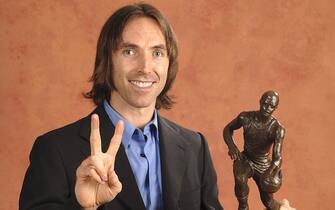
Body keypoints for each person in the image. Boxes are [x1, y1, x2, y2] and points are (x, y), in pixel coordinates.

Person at [19, 3, 223, 210]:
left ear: (169, 63)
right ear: (107, 60)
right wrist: (85, 208)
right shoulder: (55, 150)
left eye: (157, 53)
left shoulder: (195, 147)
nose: (145, 67)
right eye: (129, 51)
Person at [223, 91, 295, 210]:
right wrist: (232, 147)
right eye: (265, 104)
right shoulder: (245, 117)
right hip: (246, 158)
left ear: (275, 108)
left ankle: (284, 206)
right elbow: (228, 129)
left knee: (268, 203)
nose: (267, 108)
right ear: (260, 102)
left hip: (263, 163)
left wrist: (271, 171)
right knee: (240, 178)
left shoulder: (277, 128)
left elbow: (277, 158)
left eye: (272, 106)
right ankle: (243, 206)